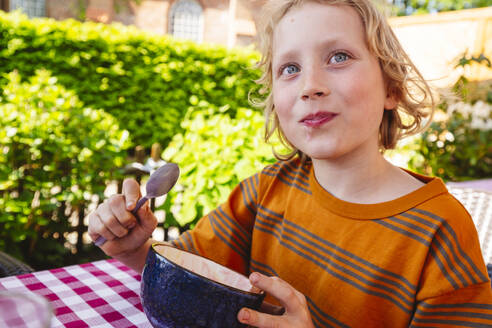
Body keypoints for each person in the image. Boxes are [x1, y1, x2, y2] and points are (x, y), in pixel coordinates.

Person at [87, 0, 492, 326]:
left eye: (338, 57)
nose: (310, 85)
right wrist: (134, 248)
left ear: (391, 87)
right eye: (290, 68)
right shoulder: (266, 191)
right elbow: (190, 273)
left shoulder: (440, 230)